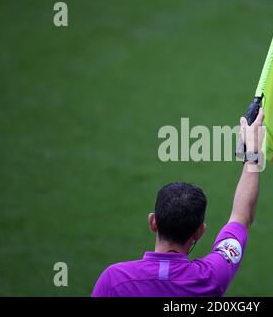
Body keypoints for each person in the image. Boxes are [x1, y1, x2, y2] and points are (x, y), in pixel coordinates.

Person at [92, 109, 264, 297]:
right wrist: (253, 152)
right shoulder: (211, 278)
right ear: (200, 232)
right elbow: (242, 217)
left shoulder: (114, 280)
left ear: (153, 221)